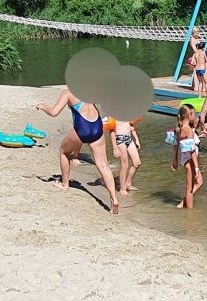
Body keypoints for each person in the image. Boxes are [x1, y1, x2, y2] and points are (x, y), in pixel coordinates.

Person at [34, 87, 121, 215]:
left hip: (82, 128)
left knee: (63, 152)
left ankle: (65, 184)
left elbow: (54, 112)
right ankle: (114, 199)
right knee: (103, 165)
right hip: (97, 127)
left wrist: (43, 107)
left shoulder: (68, 93)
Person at [173, 107, 202, 209]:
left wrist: (175, 160)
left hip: (184, 159)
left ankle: (183, 202)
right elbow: (192, 150)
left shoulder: (179, 129)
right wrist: (197, 167)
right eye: (193, 114)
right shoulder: (188, 131)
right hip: (190, 161)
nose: (195, 116)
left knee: (199, 182)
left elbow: (175, 145)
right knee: (189, 188)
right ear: (189, 116)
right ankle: (189, 214)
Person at [109, 116, 141, 197]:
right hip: (119, 139)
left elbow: (131, 127)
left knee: (137, 163)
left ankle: (128, 183)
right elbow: (112, 131)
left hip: (129, 138)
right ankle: (122, 189)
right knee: (124, 165)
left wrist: (136, 139)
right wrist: (115, 148)